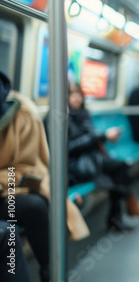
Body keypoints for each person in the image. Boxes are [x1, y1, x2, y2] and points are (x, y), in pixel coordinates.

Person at [0, 70, 89, 282]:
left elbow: (25, 168)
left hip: (9, 188)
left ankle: (51, 271)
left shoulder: (22, 113)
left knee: (32, 207)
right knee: (10, 230)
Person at [51, 83, 139, 232]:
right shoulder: (58, 117)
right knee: (119, 169)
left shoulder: (82, 114)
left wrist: (102, 138)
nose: (76, 98)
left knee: (120, 169)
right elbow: (68, 147)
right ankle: (128, 206)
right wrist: (103, 136)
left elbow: (88, 138)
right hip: (74, 165)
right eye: (71, 94)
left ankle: (122, 213)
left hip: (89, 159)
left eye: (78, 94)